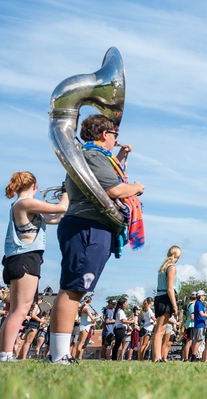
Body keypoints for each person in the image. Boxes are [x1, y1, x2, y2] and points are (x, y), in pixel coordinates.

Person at [47, 115, 145, 364]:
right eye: (115, 135)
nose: (115, 140)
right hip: (88, 226)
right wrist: (136, 187)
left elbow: (109, 180)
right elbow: (115, 190)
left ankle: (60, 354)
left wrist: (122, 157)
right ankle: (58, 356)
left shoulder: (91, 156)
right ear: (104, 135)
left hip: (90, 226)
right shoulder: (93, 155)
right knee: (73, 290)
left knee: (76, 290)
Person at [0, 171, 69, 363]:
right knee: (21, 310)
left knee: (16, 310)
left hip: (21, 259)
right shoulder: (25, 203)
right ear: (34, 185)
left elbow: (53, 218)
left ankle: (2, 353)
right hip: (25, 258)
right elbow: (61, 207)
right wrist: (67, 191)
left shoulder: (24, 206)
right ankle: (5, 355)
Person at [151, 245, 181, 362]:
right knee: (160, 330)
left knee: (159, 330)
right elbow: (170, 288)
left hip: (159, 297)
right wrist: (174, 305)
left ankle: (157, 357)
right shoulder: (171, 268)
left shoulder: (163, 268)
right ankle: (157, 357)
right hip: (165, 297)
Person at [17, 294, 46, 359]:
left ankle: (22, 357)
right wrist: (41, 321)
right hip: (33, 324)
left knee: (26, 342)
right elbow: (33, 315)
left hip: (32, 324)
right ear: (40, 299)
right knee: (28, 342)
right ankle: (23, 358)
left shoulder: (33, 305)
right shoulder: (36, 305)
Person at [190, 290, 207, 361]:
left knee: (197, 340)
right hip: (199, 324)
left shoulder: (198, 303)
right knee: (198, 340)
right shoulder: (199, 303)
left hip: (199, 324)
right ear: (200, 296)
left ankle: (193, 356)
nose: (204, 297)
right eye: (204, 296)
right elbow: (201, 314)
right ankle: (193, 357)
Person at [181, 292, 197, 361]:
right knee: (189, 342)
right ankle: (186, 358)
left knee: (189, 342)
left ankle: (185, 358)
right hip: (191, 325)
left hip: (189, 324)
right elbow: (192, 316)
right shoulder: (192, 305)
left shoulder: (189, 305)